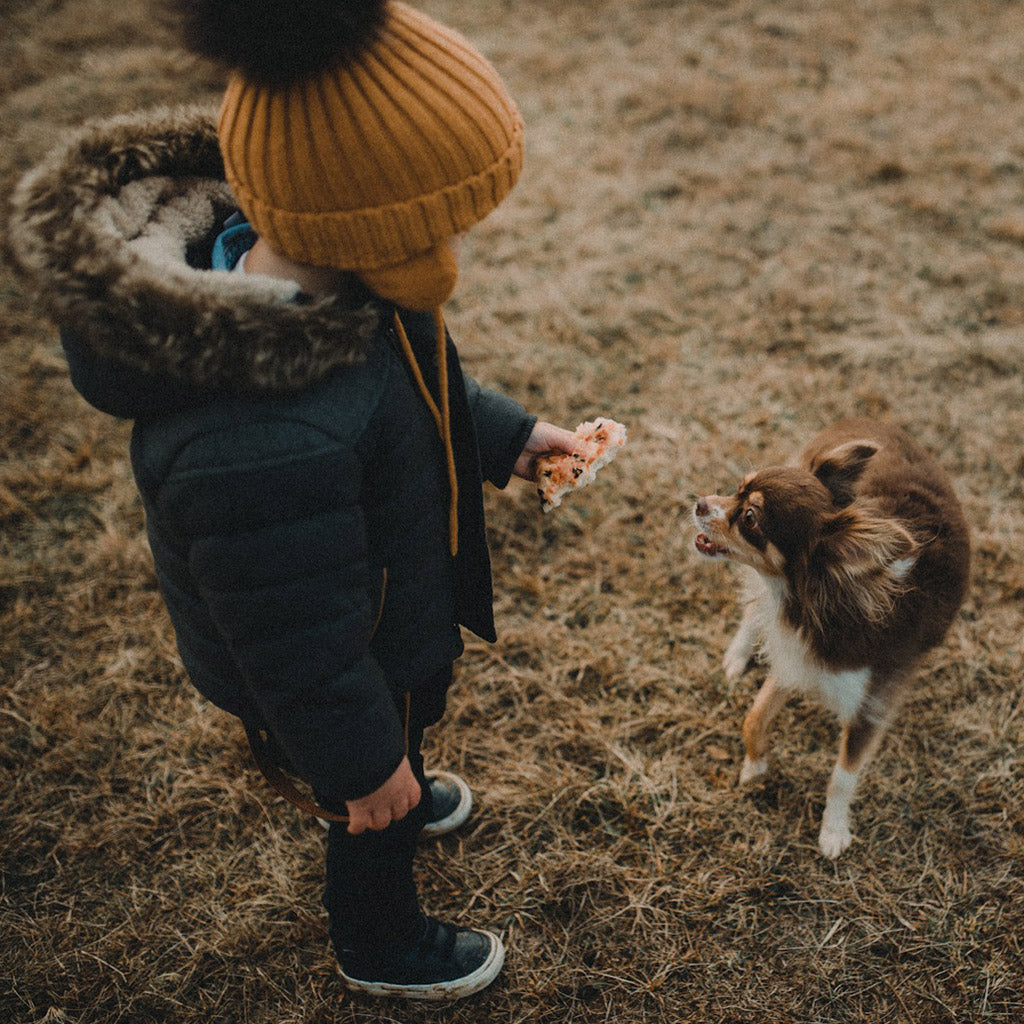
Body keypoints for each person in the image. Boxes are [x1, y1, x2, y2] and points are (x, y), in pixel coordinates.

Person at [8, 0, 582, 1002]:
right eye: (445, 218)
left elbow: (419, 380)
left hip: (385, 613)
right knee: (364, 807)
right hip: (336, 664)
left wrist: (507, 437)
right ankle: (380, 939)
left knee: (394, 727)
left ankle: (394, 761)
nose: (453, 241)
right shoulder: (253, 439)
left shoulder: (339, 284)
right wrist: (362, 765)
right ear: (373, 218)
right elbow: (295, 639)